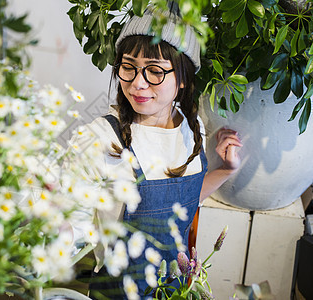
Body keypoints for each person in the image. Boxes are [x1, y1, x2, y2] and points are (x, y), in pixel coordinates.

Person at [72, 3, 243, 299]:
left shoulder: (192, 127)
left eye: (154, 71)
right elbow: (72, 221)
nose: (138, 83)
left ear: (183, 79)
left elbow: (183, 203)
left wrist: (226, 170)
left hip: (176, 287)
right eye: (128, 68)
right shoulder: (101, 136)